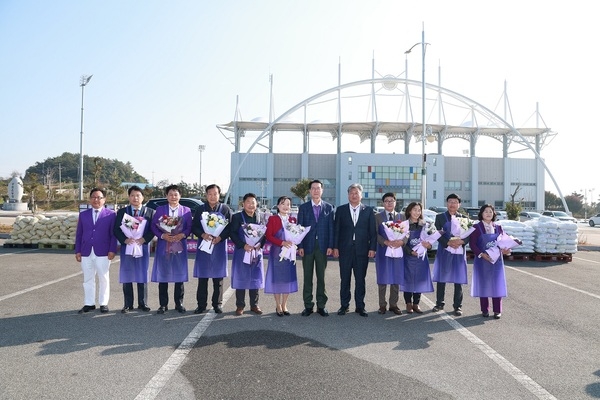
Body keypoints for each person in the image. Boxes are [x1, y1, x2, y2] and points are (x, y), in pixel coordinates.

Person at [333, 183, 377, 317]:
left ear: (361, 195)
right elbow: (337, 231)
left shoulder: (368, 211)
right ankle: (344, 306)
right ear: (348, 195)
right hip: (345, 249)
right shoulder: (341, 210)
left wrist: (372, 248)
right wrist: (335, 247)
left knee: (360, 279)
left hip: (362, 250)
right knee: (345, 279)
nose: (354, 195)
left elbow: (373, 232)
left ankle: (360, 306)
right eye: (351, 193)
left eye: (356, 193)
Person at [150, 184, 193, 314]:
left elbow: (189, 227)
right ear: (166, 196)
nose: (173, 197)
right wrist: (163, 235)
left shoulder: (186, 210)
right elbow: (153, 226)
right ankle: (163, 304)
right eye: (170, 194)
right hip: (164, 245)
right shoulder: (160, 210)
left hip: (179, 245)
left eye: (176, 194)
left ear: (180, 196)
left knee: (179, 275)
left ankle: (179, 303)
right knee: (163, 274)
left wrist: (182, 234)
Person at [75, 188, 117, 314]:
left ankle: (103, 303)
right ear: (90, 199)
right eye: (93, 197)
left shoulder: (111, 214)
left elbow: (113, 235)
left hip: (103, 251)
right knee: (88, 278)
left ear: (104, 199)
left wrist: (112, 250)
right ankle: (89, 303)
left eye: (99, 197)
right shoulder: (83, 215)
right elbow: (79, 234)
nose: (96, 200)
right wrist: (78, 251)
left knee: (103, 277)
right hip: (86, 251)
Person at [113, 185, 155, 313]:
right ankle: (128, 304)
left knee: (142, 273)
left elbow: (153, 230)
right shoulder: (122, 212)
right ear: (129, 197)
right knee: (127, 274)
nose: (135, 198)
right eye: (132, 195)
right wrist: (125, 240)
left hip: (142, 247)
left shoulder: (150, 212)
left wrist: (144, 239)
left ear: (143, 197)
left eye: (138, 195)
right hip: (128, 247)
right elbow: (116, 229)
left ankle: (143, 303)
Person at [191, 184, 232, 314]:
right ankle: (201, 305)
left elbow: (230, 228)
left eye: (215, 194)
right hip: (204, 245)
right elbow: (195, 226)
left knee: (218, 278)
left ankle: (217, 304)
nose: (212, 196)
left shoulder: (225, 209)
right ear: (206, 195)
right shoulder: (200, 209)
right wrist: (203, 234)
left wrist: (220, 237)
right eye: (210, 194)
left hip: (218, 246)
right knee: (203, 278)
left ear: (219, 195)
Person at [297, 179, 334, 317]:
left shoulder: (329, 207)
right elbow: (299, 228)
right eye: (313, 188)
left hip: (323, 246)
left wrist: (330, 245)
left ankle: (321, 305)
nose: (316, 190)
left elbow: (331, 228)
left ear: (322, 190)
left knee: (321, 277)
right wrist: (300, 245)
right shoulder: (304, 207)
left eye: (318, 188)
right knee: (307, 277)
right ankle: (308, 305)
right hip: (307, 246)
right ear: (309, 191)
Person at [469, 204, 509, 319]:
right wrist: (481, 254)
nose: (488, 213)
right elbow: (473, 244)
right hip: (482, 260)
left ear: (494, 214)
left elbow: (503, 242)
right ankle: (484, 310)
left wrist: (507, 249)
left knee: (497, 284)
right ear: (481, 214)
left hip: (496, 261)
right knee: (484, 284)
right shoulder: (476, 227)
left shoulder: (498, 227)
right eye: (486, 211)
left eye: (490, 212)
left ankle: (497, 310)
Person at [229, 193, 266, 316]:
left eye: (253, 202)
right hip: (242, 251)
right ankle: (240, 305)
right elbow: (232, 233)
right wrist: (243, 245)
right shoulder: (237, 217)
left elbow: (264, 234)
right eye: (248, 202)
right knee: (241, 277)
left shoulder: (260, 218)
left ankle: (254, 305)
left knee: (255, 278)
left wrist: (260, 244)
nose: (251, 205)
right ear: (243, 204)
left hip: (255, 252)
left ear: (256, 204)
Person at [432, 193, 469, 316]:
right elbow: (437, 233)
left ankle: (458, 306)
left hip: (458, 251)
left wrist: (461, 242)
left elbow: (469, 235)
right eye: (450, 201)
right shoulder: (440, 217)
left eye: (455, 202)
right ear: (446, 203)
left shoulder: (464, 218)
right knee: (442, 277)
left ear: (459, 204)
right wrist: (447, 243)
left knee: (458, 279)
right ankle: (439, 303)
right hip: (444, 250)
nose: (452, 204)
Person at [265, 196, 298, 316]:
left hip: (289, 254)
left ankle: (285, 305)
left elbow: (296, 235)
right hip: (277, 253)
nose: (286, 206)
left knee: (287, 279)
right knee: (277, 279)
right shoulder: (273, 219)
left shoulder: (293, 220)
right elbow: (268, 236)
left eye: (288, 204)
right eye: (283, 204)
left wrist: (294, 242)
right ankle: (278, 305)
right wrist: (281, 242)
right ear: (278, 206)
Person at [401, 202, 435, 314]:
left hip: (421, 258)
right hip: (408, 257)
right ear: (409, 211)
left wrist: (428, 246)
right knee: (408, 280)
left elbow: (430, 243)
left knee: (419, 279)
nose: (417, 212)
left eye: (419, 210)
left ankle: (416, 303)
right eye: (414, 210)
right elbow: (402, 243)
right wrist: (411, 252)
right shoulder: (404, 225)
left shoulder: (425, 225)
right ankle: (408, 303)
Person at [374, 192, 404, 315]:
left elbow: (407, 233)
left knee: (396, 278)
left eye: (391, 200)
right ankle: (382, 305)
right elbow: (374, 233)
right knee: (382, 277)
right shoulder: (377, 217)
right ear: (383, 203)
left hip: (397, 251)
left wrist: (401, 242)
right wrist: (385, 241)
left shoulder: (402, 217)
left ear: (395, 203)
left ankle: (393, 304)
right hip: (383, 251)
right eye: (386, 201)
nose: (389, 203)